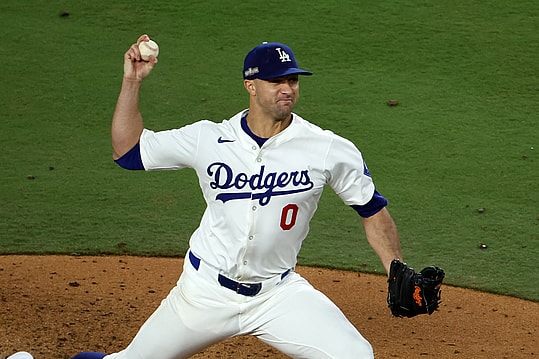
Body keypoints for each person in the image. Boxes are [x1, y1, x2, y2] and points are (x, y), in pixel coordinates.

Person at [70, 34, 403, 359]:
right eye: (276, 81)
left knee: (356, 354)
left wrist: (395, 268)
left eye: (293, 81)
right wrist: (132, 81)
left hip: (277, 294)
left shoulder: (327, 148)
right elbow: (127, 150)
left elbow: (372, 208)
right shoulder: (208, 139)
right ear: (251, 85)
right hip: (205, 293)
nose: (287, 89)